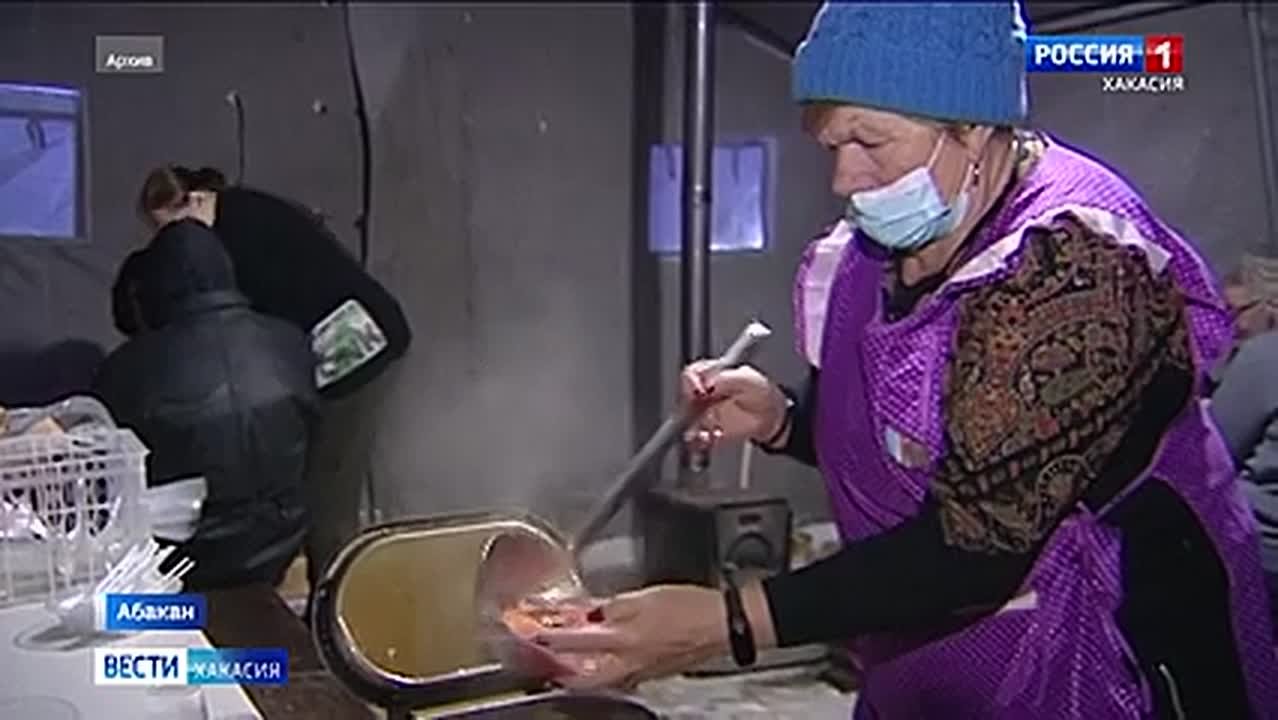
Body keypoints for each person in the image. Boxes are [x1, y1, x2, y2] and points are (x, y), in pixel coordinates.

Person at [531, 2, 1278, 717]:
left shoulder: (1075, 267)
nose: (844, 179)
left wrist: (725, 621)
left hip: (1107, 650)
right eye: (830, 145)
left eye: (870, 143)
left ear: (974, 130)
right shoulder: (887, 243)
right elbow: (914, 437)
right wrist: (783, 417)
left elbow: (978, 540)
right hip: (927, 649)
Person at [120, 164, 413, 591]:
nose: (174, 246)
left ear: (195, 201)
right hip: (342, 347)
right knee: (317, 486)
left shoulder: (241, 237)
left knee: (328, 494)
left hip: (361, 351)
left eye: (171, 230)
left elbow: (269, 330)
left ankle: (335, 611)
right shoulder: (235, 220)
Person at [93, 219, 318, 590]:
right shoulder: (291, 342)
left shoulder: (127, 368)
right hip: (281, 539)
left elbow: (107, 479)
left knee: (106, 613)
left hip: (183, 556)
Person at [1210, 254, 1278, 631]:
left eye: (1236, 312)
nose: (1230, 326)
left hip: (1260, 550)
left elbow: (1215, 456)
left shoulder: (1263, 357)